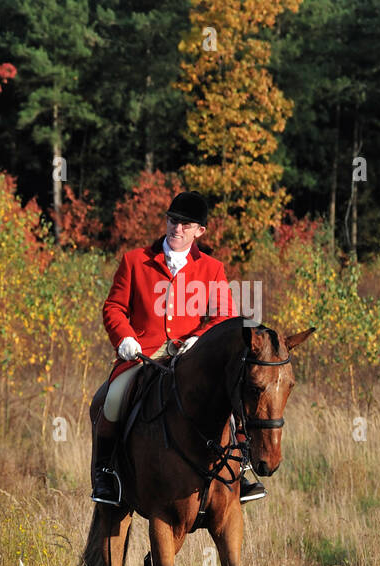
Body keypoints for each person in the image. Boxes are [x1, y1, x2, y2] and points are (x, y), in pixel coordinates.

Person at [90, 191, 265, 506]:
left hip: (192, 358)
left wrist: (200, 338)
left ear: (200, 231)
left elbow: (224, 315)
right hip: (143, 356)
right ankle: (107, 474)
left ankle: (244, 470)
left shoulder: (211, 268)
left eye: (186, 224)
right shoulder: (134, 261)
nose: (177, 228)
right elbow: (114, 307)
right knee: (113, 398)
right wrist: (125, 339)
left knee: (232, 394)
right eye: (173, 220)